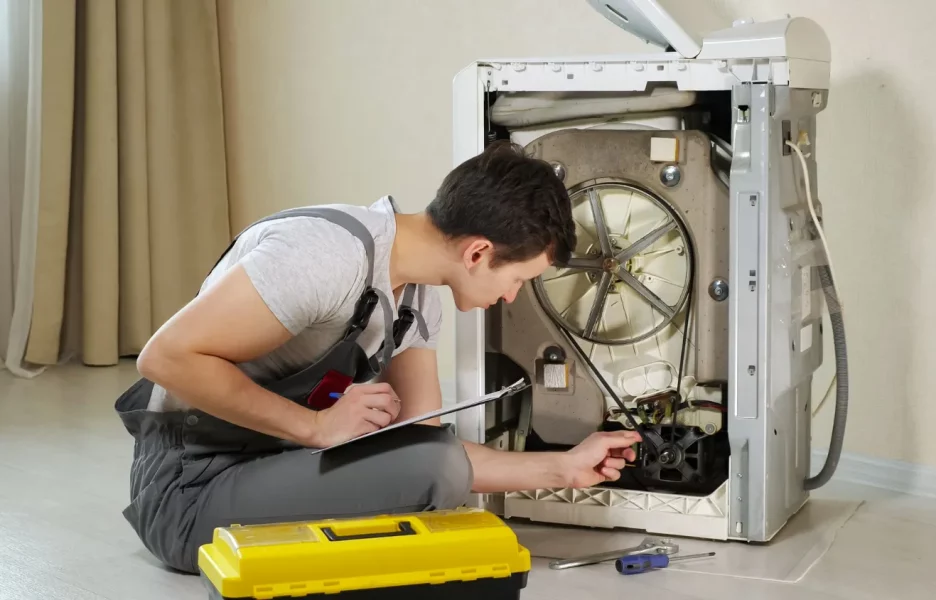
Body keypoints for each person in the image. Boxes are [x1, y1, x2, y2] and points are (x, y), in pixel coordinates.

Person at [114, 142, 642, 574]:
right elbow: (166, 358)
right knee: (432, 471)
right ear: (478, 252)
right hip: (188, 492)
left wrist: (564, 469)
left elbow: (421, 449)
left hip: (269, 467)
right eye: (518, 280)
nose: (510, 297)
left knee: (428, 461)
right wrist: (314, 426)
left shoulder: (417, 303)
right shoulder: (325, 255)